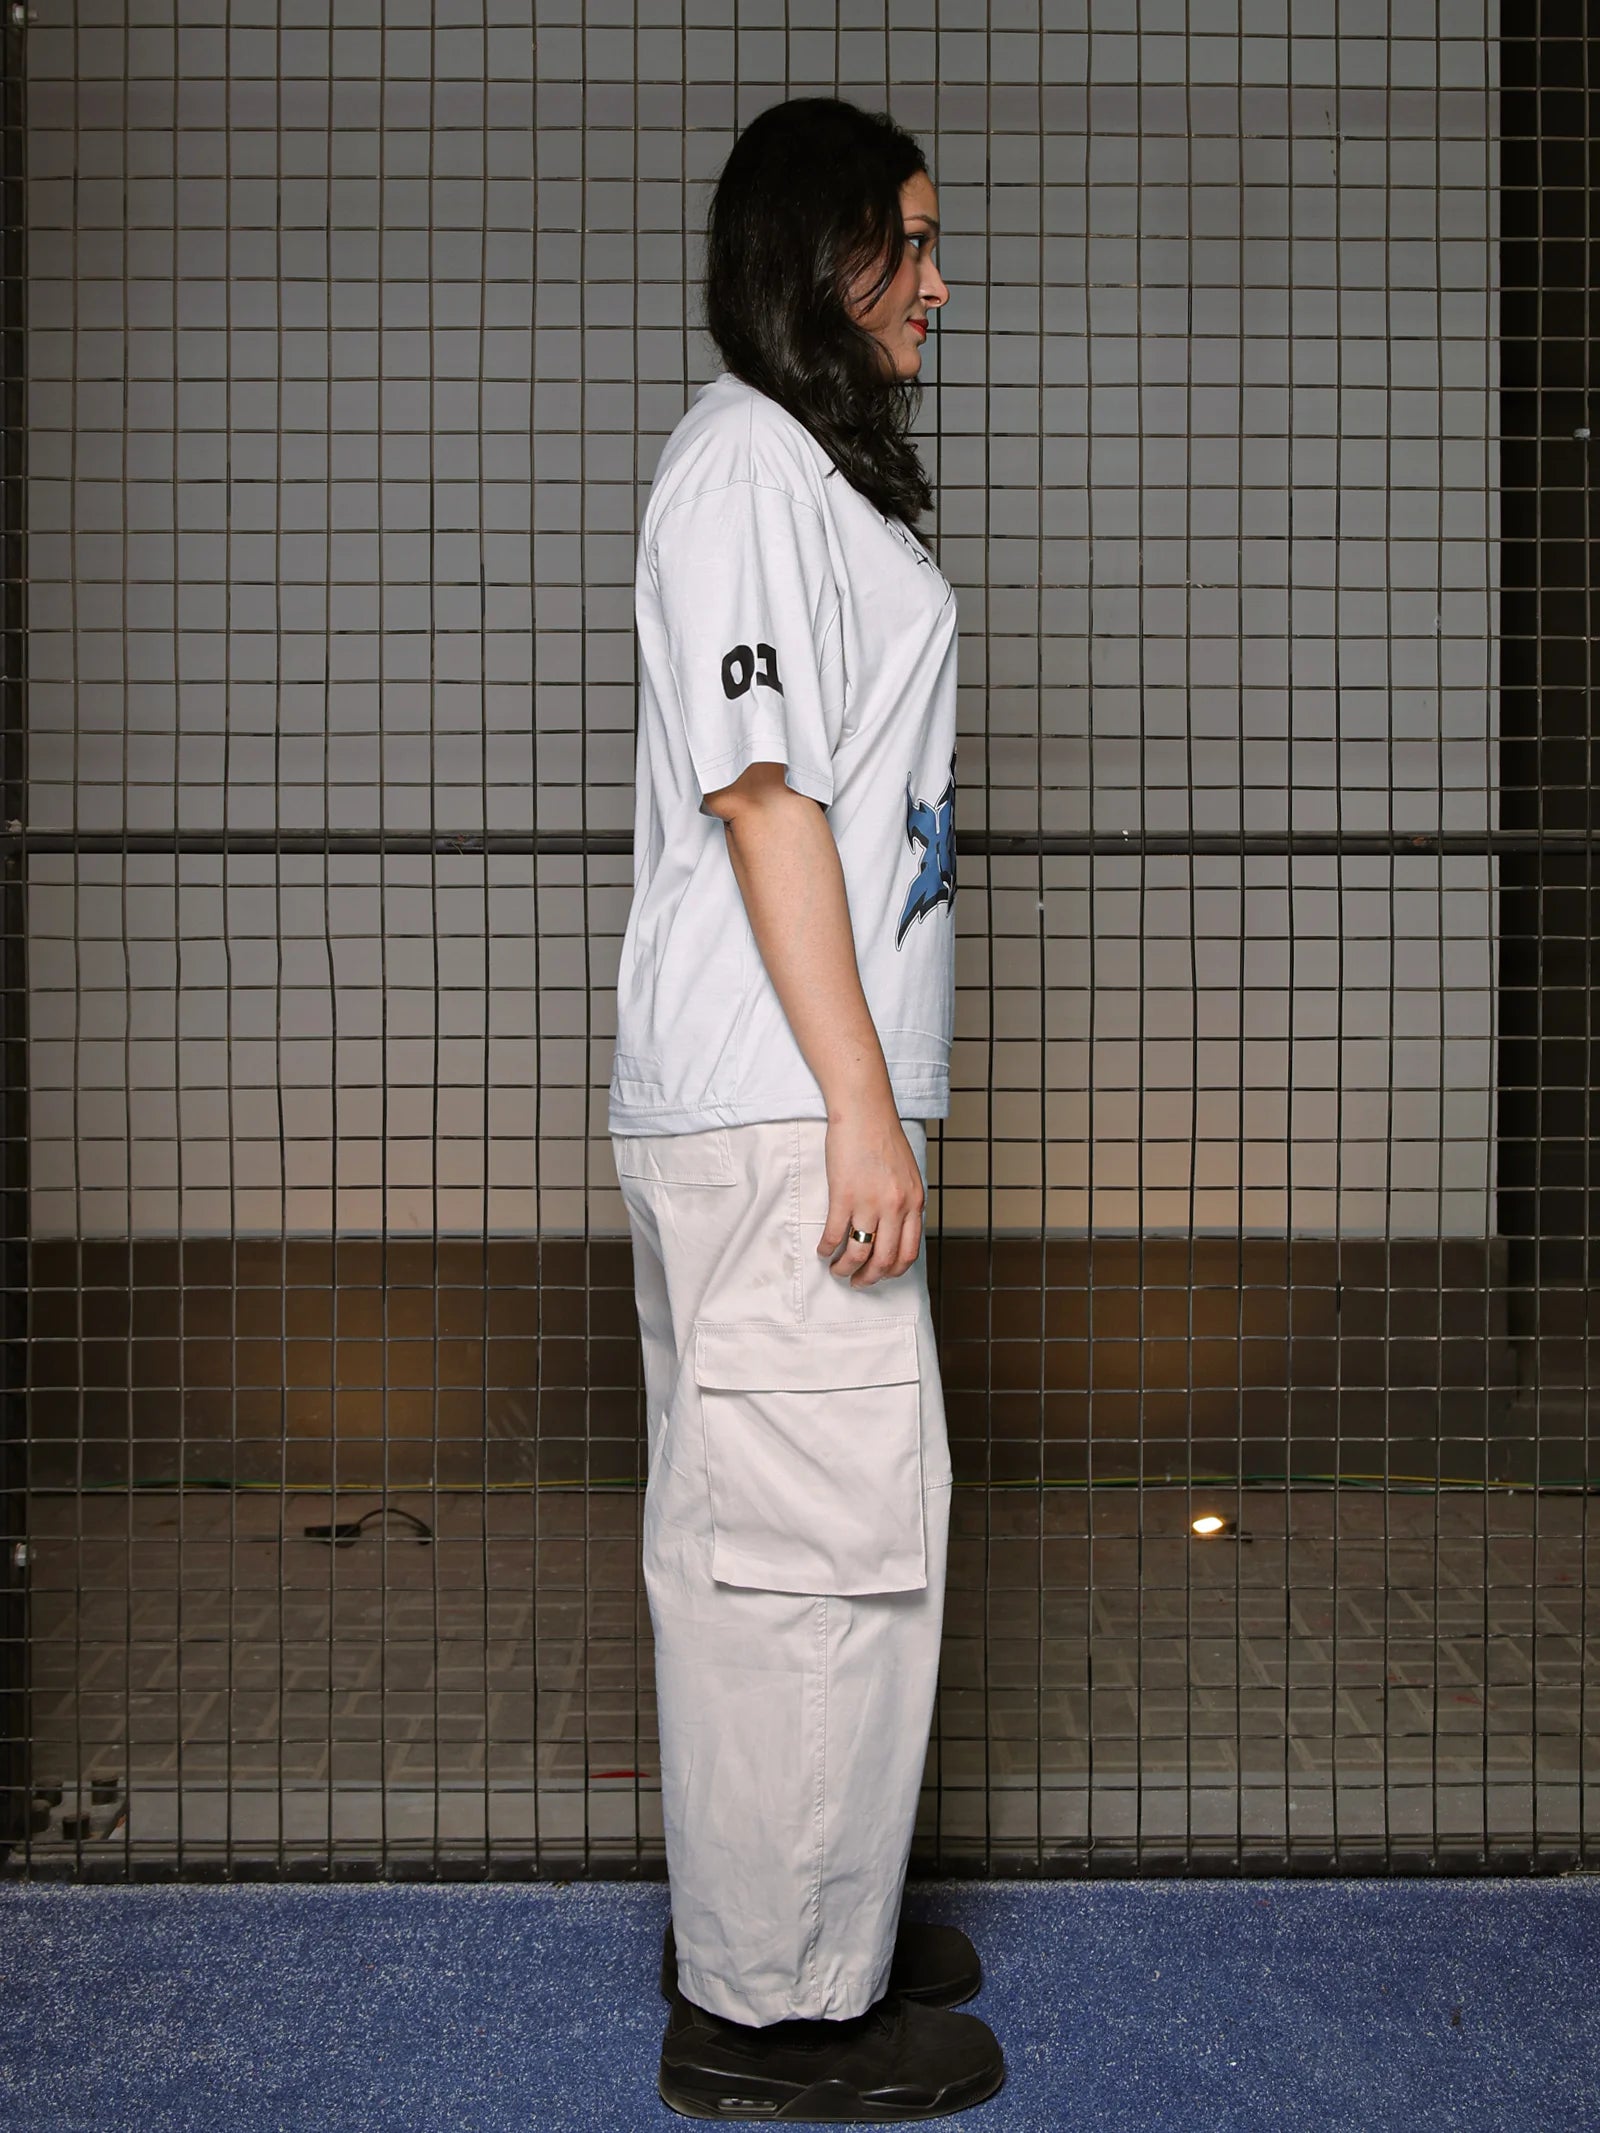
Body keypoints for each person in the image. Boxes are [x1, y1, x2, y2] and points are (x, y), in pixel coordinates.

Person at [608, 96, 1004, 2122]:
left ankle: (798, 1915)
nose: (940, 280)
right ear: (815, 254)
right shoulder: (748, 459)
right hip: (782, 1096)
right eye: (908, 243)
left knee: (786, 1523)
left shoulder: (794, 470)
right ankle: (769, 2009)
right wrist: (861, 1106)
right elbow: (763, 798)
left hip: (780, 1092)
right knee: (812, 1547)